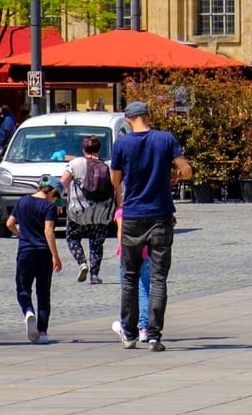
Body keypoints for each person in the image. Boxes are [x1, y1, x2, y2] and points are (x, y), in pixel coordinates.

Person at [109, 99, 193, 350]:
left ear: (128, 120)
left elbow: (115, 180)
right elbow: (186, 170)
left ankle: (130, 333)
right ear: (148, 116)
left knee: (130, 277)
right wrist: (175, 176)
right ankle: (154, 335)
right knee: (158, 278)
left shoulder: (122, 143)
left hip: (133, 215)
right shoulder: (166, 139)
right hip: (161, 215)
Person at [7, 175, 63, 344]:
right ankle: (43, 332)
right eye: (57, 198)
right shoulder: (48, 207)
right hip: (44, 253)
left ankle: (28, 311)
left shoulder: (22, 201)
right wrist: (56, 256)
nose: (56, 202)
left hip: (25, 251)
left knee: (23, 288)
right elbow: (49, 231)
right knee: (43, 292)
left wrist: (21, 235)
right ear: (52, 192)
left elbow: (9, 223)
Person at [62, 134, 116, 282]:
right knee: (97, 243)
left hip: (78, 210)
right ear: (99, 149)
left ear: (83, 149)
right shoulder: (108, 166)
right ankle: (94, 275)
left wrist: (59, 202)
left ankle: (82, 263)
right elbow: (117, 188)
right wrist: (118, 208)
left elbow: (63, 182)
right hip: (101, 211)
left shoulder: (76, 163)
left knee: (72, 237)